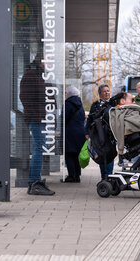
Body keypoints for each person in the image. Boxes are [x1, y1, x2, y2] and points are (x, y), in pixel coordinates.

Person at [20, 54, 55, 195]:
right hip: (37, 119)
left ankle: (35, 181)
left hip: (41, 118)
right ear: (41, 61)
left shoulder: (39, 76)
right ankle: (34, 182)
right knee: (39, 148)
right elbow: (25, 98)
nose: (51, 62)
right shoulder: (31, 75)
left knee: (40, 148)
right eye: (49, 59)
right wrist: (37, 117)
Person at [85, 84, 114, 179]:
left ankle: (109, 176)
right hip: (98, 135)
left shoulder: (113, 103)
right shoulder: (95, 105)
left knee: (110, 154)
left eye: (108, 91)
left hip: (111, 134)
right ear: (100, 93)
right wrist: (87, 132)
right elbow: (90, 120)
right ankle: (103, 177)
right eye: (104, 91)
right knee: (101, 155)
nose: (107, 93)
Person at [62, 86, 86, 183]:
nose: (65, 94)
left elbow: (64, 118)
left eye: (66, 93)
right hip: (80, 132)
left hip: (70, 132)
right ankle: (77, 175)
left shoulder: (68, 104)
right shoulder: (80, 104)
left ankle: (71, 175)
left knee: (69, 154)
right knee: (76, 154)